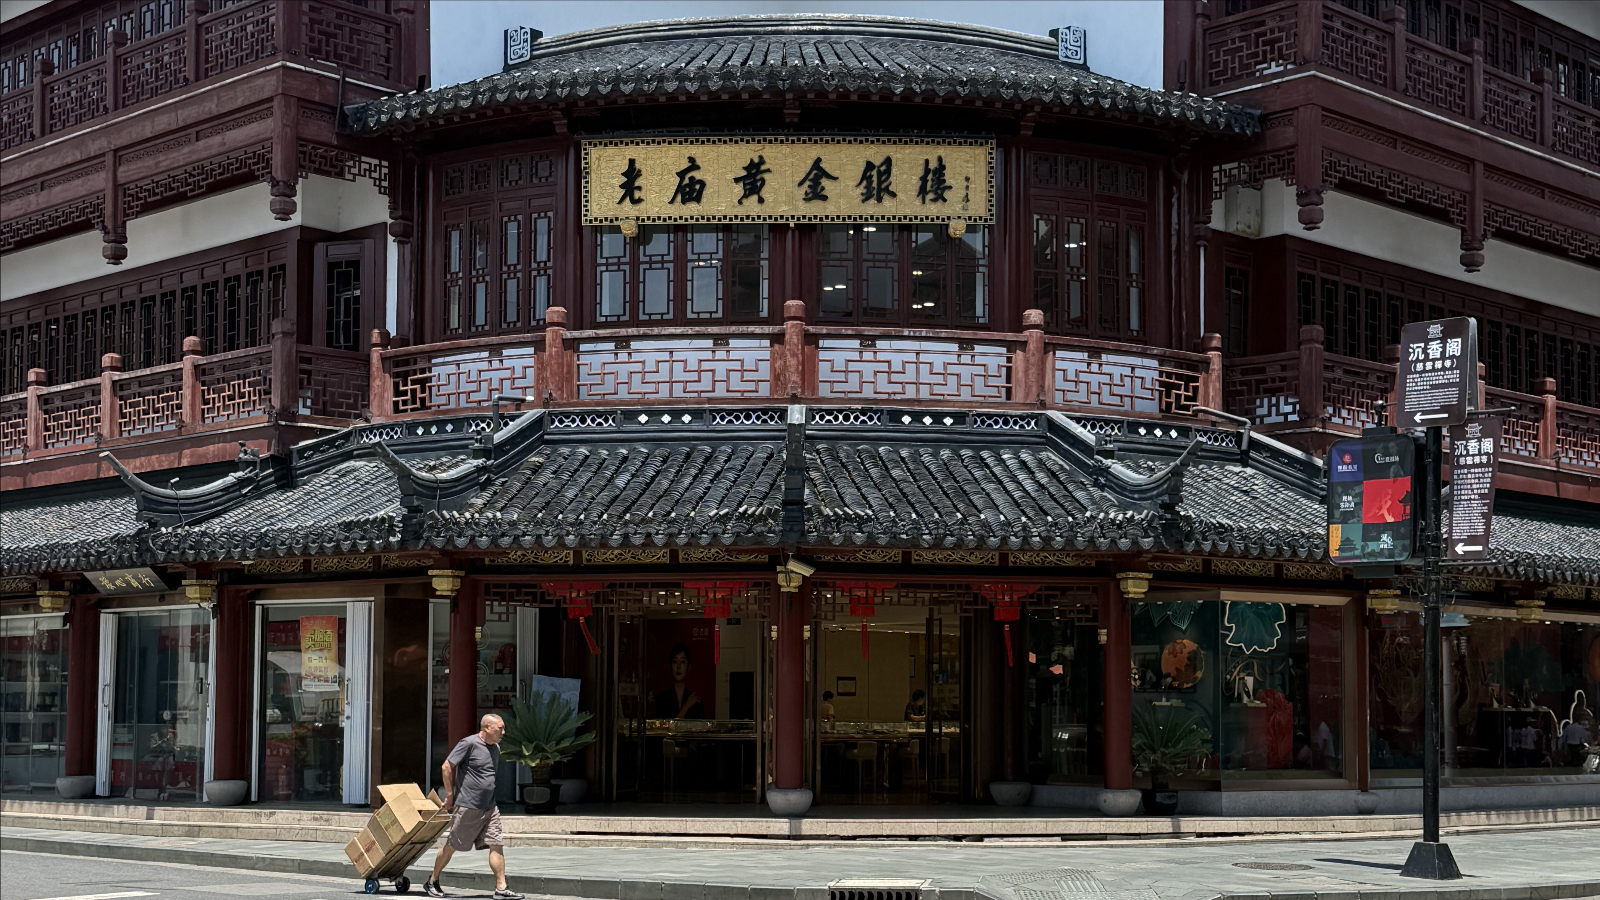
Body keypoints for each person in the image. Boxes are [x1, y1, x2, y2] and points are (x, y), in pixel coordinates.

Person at [423, 714, 523, 899]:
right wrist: (450, 795)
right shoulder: (468, 744)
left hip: (490, 807)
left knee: (496, 844)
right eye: (500, 728)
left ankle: (501, 888)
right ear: (487, 727)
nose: (503, 732)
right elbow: (446, 766)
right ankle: (432, 881)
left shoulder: (495, 748)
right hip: (468, 806)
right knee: (452, 845)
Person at [652, 643, 705, 719]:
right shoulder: (662, 699)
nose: (678, 666)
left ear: (688, 667)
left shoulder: (695, 702)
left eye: (682, 662)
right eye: (675, 662)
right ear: (671, 666)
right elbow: (666, 726)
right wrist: (686, 706)